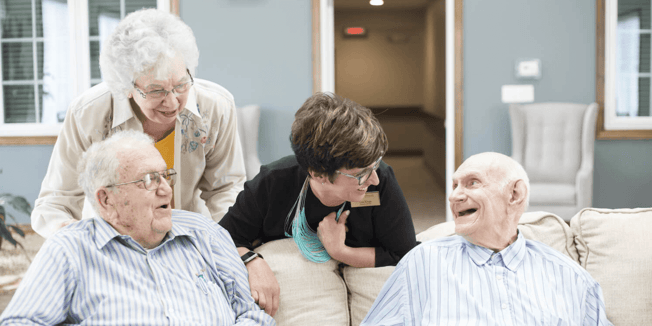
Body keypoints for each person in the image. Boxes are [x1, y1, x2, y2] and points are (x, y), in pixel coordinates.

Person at [0, 130, 274, 325]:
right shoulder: (69, 249)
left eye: (165, 176)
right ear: (106, 199)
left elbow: (252, 313)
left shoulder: (205, 233)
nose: (166, 189)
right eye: (149, 180)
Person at [31, 8, 245, 238]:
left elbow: (225, 189)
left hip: (187, 236)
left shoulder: (216, 107)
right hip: (113, 241)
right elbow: (55, 202)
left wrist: (227, 242)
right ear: (126, 87)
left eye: (181, 85)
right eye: (156, 90)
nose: (173, 102)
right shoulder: (88, 113)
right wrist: (74, 237)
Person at [218, 92, 418, 317]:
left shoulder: (381, 179)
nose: (374, 180)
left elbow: (403, 252)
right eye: (361, 174)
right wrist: (252, 262)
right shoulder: (272, 183)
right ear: (319, 174)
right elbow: (222, 238)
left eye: (375, 165)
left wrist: (340, 251)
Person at [361, 152, 612, 325]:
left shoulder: (570, 277)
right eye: (455, 186)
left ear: (515, 194)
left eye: (472, 183)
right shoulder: (422, 263)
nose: (455, 196)